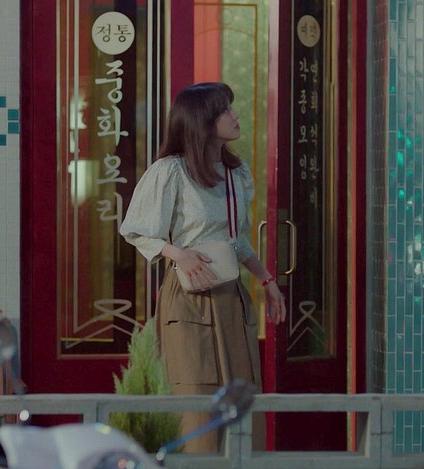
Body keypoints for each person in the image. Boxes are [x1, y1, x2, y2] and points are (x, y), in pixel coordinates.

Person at [119, 82, 286, 452]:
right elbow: (135, 230)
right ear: (203, 121)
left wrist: (266, 280)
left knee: (240, 395)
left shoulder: (235, 173)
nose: (235, 116)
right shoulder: (170, 171)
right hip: (189, 298)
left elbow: (237, 241)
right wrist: (178, 254)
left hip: (231, 297)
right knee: (195, 394)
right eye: (225, 110)